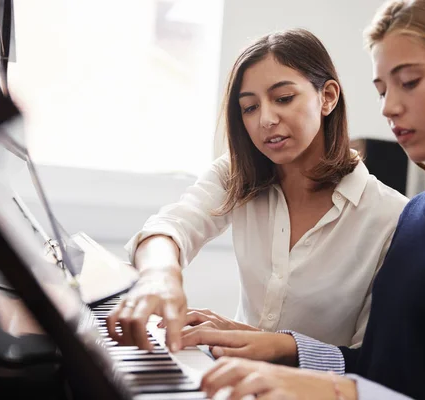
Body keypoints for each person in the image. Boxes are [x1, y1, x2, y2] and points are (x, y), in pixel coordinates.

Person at [179, 0, 425, 399]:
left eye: (410, 82)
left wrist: (336, 392)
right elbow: (382, 368)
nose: (388, 107)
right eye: (382, 89)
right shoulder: (419, 215)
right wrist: (282, 346)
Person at [106, 28, 408, 354]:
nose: (265, 119)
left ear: (328, 97)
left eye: (283, 99)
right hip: (229, 375)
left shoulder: (390, 218)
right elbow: (171, 227)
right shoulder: (238, 175)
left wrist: (272, 347)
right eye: (249, 107)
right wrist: (159, 277)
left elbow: (371, 362)